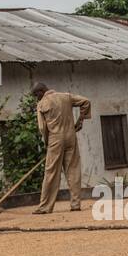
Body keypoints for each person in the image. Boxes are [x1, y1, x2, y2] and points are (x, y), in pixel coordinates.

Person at [32, 82, 91, 214]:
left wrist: (48, 143)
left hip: (55, 139)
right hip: (71, 136)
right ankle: (75, 204)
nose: (37, 98)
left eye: (37, 95)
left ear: (41, 91)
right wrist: (80, 120)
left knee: (51, 172)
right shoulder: (66, 96)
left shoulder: (41, 104)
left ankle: (45, 207)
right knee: (73, 170)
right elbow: (86, 101)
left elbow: (42, 128)